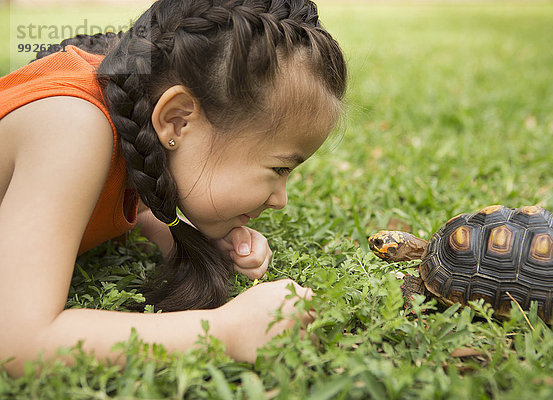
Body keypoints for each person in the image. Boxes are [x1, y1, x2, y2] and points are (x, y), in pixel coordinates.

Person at [0, 0, 346, 376]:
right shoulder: (71, 125)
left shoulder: (128, 119)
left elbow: (117, 208)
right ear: (178, 121)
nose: (280, 200)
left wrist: (185, 237)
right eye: (278, 168)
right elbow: (19, 341)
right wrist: (228, 330)